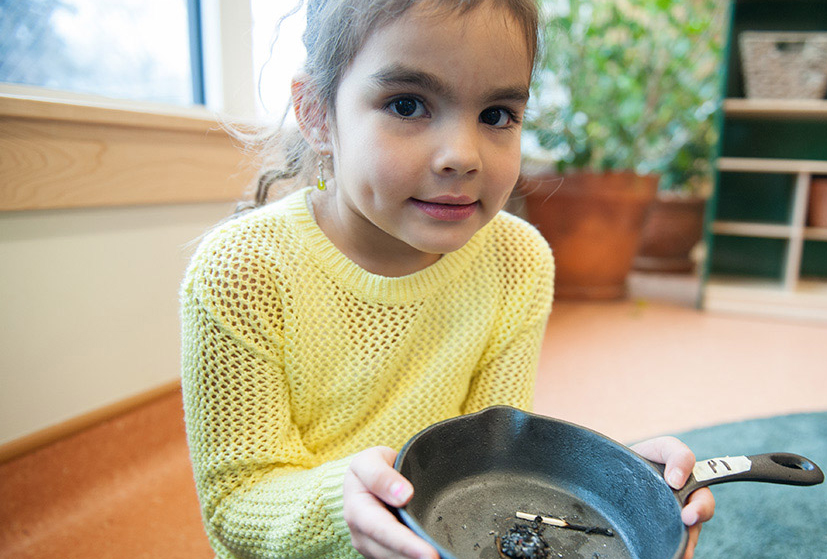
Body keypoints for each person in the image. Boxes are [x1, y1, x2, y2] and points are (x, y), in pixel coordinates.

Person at [180, 0, 715, 558]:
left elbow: (494, 459)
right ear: (316, 113)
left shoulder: (516, 259)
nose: (462, 156)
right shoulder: (241, 271)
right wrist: (346, 505)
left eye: (496, 115)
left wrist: (624, 485)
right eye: (407, 105)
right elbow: (235, 504)